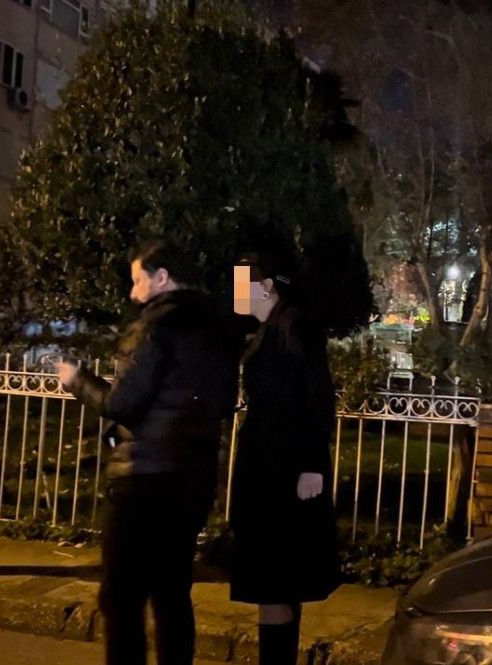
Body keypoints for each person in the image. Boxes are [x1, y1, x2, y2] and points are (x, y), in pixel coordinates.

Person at [57, 240, 240, 665]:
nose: (132, 291)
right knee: (172, 591)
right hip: (192, 478)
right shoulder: (219, 330)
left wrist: (78, 380)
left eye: (138, 280)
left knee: (121, 596)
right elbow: (221, 404)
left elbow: (123, 404)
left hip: (142, 478)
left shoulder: (156, 325)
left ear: (162, 278)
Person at [230, 251, 341, 665]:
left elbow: (317, 396)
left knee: (273, 582)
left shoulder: (294, 327)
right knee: (277, 582)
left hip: (282, 471)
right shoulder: (269, 330)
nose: (235, 294)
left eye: (241, 284)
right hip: (268, 469)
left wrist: (312, 463)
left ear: (267, 287)